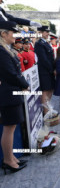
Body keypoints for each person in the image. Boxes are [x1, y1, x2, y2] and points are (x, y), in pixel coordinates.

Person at [0, 21, 29, 174]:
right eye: (12, 32)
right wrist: (25, 84)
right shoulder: (1, 51)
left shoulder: (5, 49)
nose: (15, 35)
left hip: (11, 92)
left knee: (11, 126)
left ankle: (11, 157)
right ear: (3, 34)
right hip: (8, 93)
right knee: (9, 128)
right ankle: (8, 160)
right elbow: (11, 74)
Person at [34, 26, 55, 115]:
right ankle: (46, 113)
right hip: (44, 71)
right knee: (45, 91)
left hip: (49, 70)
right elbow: (43, 59)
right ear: (40, 32)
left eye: (48, 32)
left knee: (50, 90)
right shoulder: (39, 44)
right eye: (46, 32)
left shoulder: (46, 42)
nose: (48, 33)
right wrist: (52, 69)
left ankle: (48, 108)